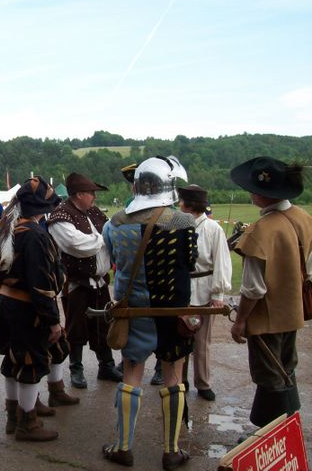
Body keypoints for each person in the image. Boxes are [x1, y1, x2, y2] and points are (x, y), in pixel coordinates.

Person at [101, 156, 197, 469]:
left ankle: (123, 447)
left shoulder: (116, 222)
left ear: (137, 187)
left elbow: (112, 261)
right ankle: (171, 451)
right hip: (172, 312)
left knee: (131, 375)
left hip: (133, 311)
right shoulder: (183, 222)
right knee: (173, 376)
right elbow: (190, 263)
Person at [0, 176, 77, 442]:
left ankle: (14, 416)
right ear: (42, 207)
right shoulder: (36, 235)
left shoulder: (7, 229)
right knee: (29, 363)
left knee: (13, 360)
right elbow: (41, 284)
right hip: (26, 308)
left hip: (5, 303)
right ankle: (27, 424)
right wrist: (52, 320)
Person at [229, 156, 312, 428]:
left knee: (269, 379)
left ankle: (272, 440)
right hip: (293, 313)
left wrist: (240, 321)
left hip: (266, 320)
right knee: (286, 371)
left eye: (253, 189)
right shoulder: (303, 217)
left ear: (262, 193)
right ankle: (288, 430)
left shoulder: (260, 231)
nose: (250, 193)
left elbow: (253, 289)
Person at [48, 173, 123, 388]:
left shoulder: (94, 212)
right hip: (77, 283)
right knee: (76, 327)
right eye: (91, 193)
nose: (94, 197)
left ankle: (106, 366)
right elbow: (77, 245)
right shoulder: (60, 215)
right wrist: (101, 239)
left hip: (100, 282)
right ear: (79, 194)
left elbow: (112, 234)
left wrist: (105, 240)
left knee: (103, 324)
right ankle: (76, 369)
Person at [178, 185, 232, 401]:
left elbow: (221, 261)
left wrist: (218, 294)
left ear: (190, 205)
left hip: (204, 290)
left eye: (182, 201)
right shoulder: (178, 226)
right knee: (180, 336)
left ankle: (203, 383)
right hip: (182, 291)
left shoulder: (213, 229)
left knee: (201, 342)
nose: (179, 204)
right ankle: (180, 380)